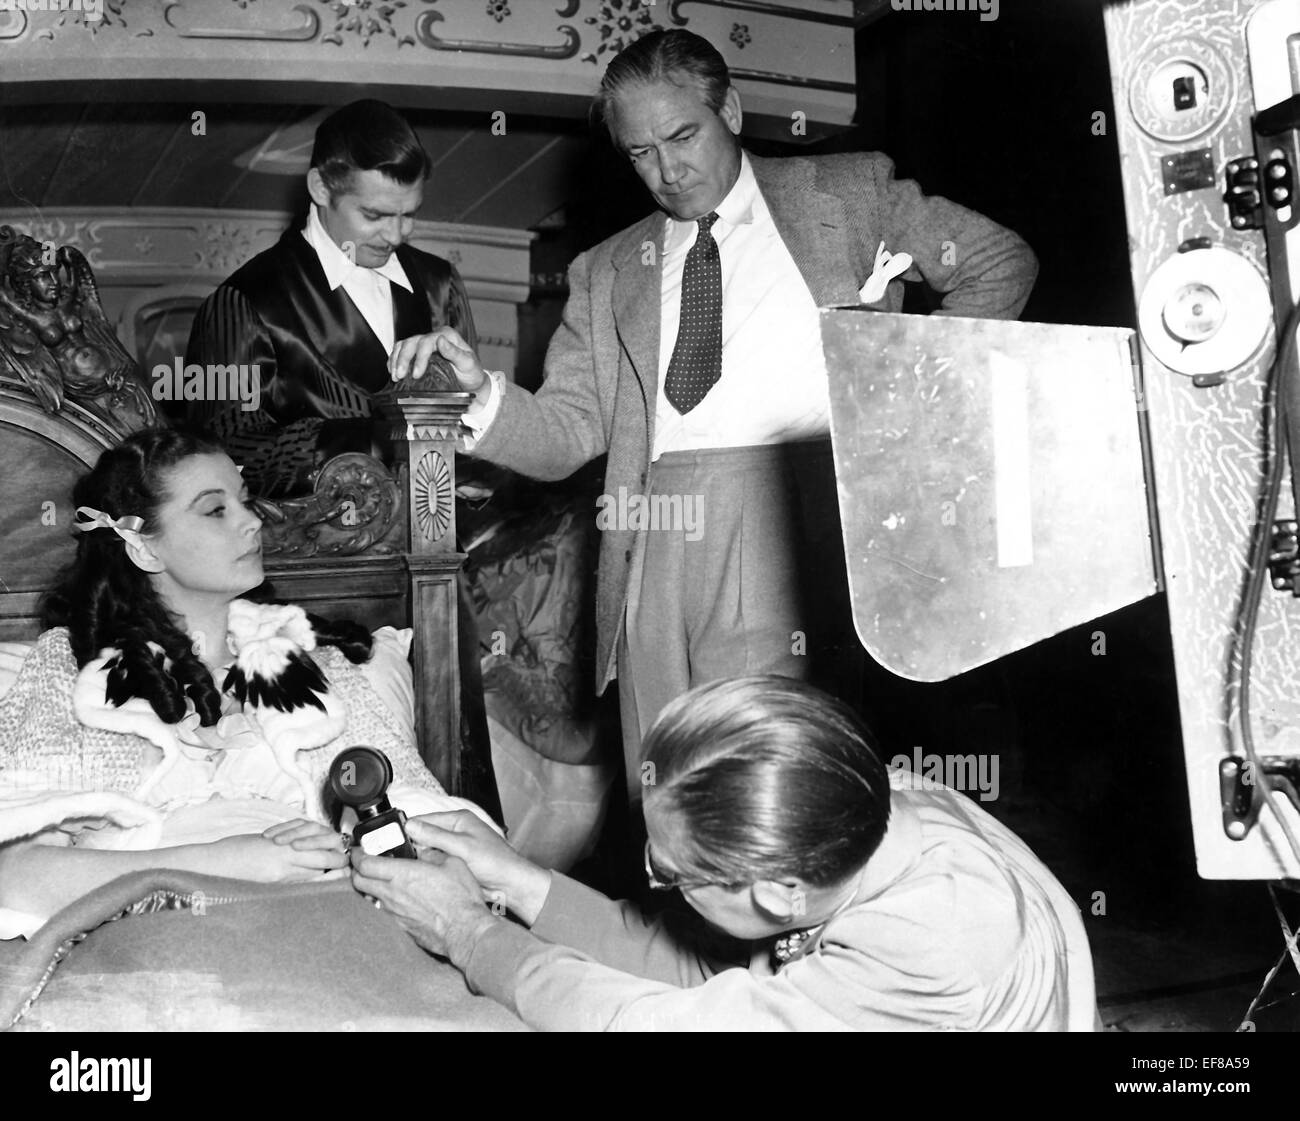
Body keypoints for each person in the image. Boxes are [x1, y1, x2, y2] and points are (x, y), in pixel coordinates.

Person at [388, 29, 1039, 809]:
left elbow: (1000, 264)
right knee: (662, 788)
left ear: (728, 107)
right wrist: (480, 392)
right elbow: (567, 434)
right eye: (640, 154)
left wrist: (902, 400)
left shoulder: (849, 192)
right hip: (653, 534)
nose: (667, 171)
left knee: (767, 787)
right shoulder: (604, 270)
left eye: (683, 136)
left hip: (791, 520)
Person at [351, 675, 1096, 1031]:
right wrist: (521, 881)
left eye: (668, 874)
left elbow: (654, 1023)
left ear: (777, 894)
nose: (652, 879)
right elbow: (707, 967)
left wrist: (469, 932)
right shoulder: (866, 807)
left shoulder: (927, 947)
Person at [0, 427, 469, 939]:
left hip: (329, 930)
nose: (251, 522)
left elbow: (440, 838)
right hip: (151, 953)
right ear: (143, 548)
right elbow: (13, 874)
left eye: (245, 501)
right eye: (215, 510)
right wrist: (220, 865)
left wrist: (350, 850)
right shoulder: (71, 671)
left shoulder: (318, 669)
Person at [184, 98, 497, 815]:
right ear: (321, 189)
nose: (398, 234)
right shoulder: (245, 301)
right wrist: (359, 440)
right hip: (315, 585)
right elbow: (223, 464)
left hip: (435, 564)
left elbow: (471, 430)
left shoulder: (440, 285)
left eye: (409, 213)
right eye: (376, 216)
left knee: (450, 766)